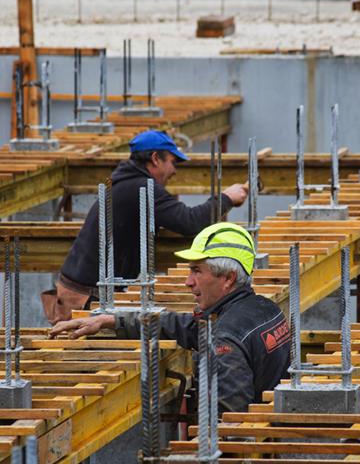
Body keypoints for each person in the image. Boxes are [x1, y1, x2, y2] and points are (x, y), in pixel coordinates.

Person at [50, 222, 290, 413]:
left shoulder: (226, 336)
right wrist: (112, 320)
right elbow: (183, 326)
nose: (188, 281)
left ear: (227, 279)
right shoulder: (263, 309)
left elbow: (230, 423)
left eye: (196, 271)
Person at [42, 130, 248, 324]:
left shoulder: (125, 181)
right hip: (86, 297)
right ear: (156, 158)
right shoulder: (141, 187)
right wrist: (226, 198)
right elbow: (189, 221)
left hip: (80, 289)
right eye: (172, 162)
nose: (174, 170)